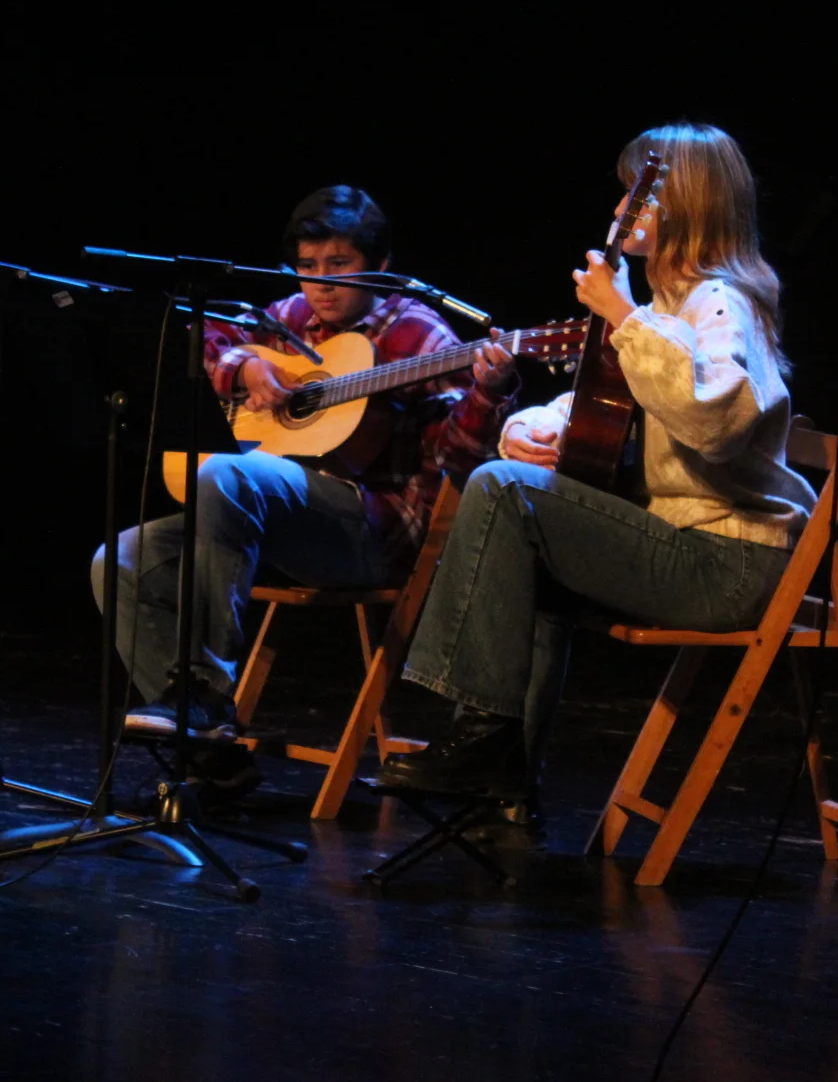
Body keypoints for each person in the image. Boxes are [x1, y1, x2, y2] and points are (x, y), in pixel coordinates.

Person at [377, 123, 817, 798]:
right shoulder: (670, 305)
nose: (618, 210)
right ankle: (502, 796)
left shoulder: (723, 301)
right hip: (684, 543)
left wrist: (624, 316)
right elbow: (609, 396)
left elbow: (716, 424)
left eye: (636, 195)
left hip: (727, 561)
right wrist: (530, 427)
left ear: (684, 202)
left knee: (502, 493)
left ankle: (484, 738)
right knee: (525, 556)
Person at [92, 185, 520, 803]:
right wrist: (244, 367)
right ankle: (213, 758)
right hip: (266, 523)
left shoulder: (422, 337)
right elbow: (202, 340)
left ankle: (205, 692)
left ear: (380, 265)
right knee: (120, 561)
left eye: (339, 265)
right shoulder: (290, 317)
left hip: (370, 535)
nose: (321, 284)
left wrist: (489, 393)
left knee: (227, 475)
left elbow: (461, 462)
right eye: (308, 266)